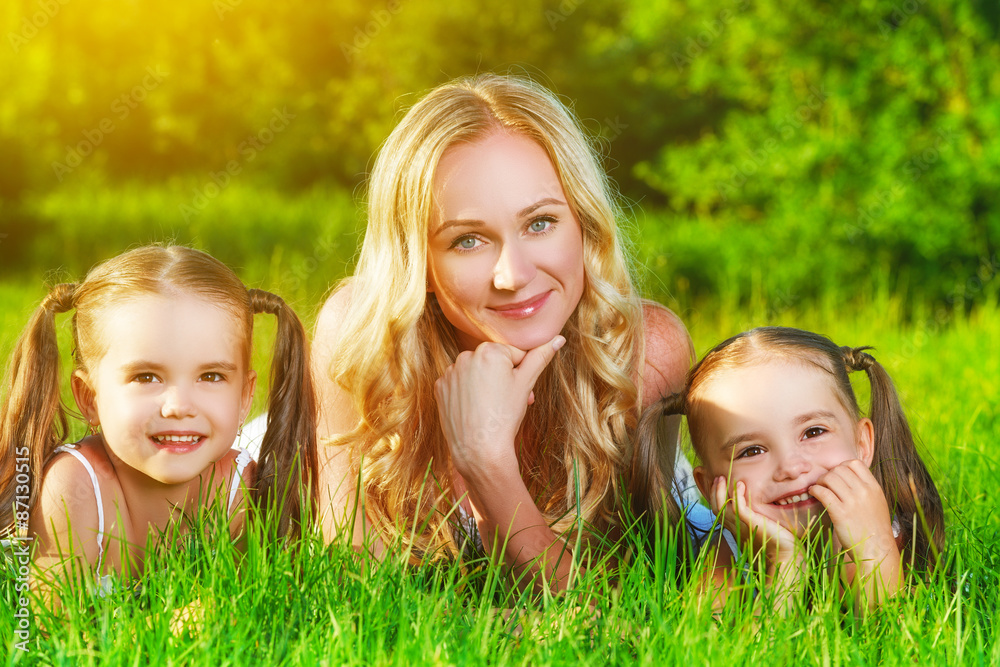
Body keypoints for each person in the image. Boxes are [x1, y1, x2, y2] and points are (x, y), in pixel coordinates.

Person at [312, 73, 706, 589]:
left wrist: (487, 465)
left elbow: (623, 599)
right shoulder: (361, 340)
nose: (514, 276)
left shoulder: (645, 352)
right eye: (468, 240)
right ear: (419, 261)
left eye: (540, 223)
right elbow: (352, 584)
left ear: (584, 224)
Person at [0, 245, 316, 601]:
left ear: (244, 397)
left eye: (211, 376)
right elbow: (52, 633)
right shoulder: (74, 489)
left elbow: (260, 611)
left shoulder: (241, 491)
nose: (179, 406)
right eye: (146, 377)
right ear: (90, 398)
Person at [648, 326, 944, 611]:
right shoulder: (723, 552)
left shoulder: (879, 530)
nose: (790, 467)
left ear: (862, 443)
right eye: (752, 451)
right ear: (710, 484)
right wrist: (783, 562)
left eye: (813, 432)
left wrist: (875, 548)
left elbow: (893, 641)